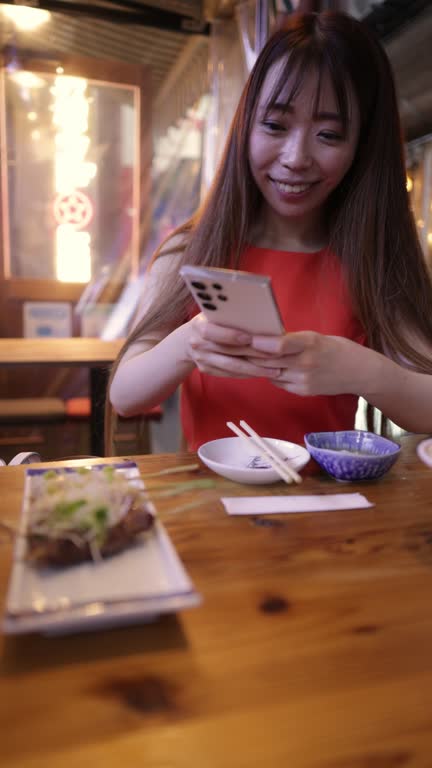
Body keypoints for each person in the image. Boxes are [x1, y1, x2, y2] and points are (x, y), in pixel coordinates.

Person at [109, 10, 432, 452]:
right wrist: (190, 342)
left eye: (329, 134)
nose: (296, 157)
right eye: (275, 126)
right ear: (246, 126)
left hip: (330, 509)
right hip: (207, 506)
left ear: (362, 146)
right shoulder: (190, 249)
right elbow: (125, 395)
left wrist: (359, 368)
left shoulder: (371, 260)